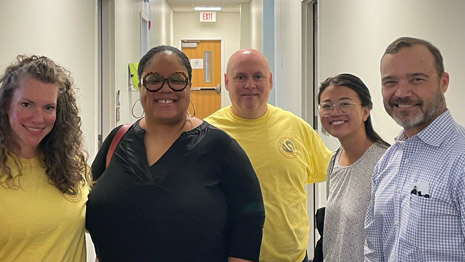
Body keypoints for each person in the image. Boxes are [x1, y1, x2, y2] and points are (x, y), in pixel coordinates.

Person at [86, 45, 265, 262]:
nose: (165, 88)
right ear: (140, 86)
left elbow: (249, 222)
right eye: (153, 79)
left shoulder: (220, 148)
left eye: (177, 79)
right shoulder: (118, 140)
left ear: (189, 86)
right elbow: (84, 206)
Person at [205, 49, 331, 262]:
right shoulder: (207, 133)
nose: (250, 85)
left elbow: (336, 170)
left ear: (270, 80)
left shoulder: (296, 127)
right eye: (240, 77)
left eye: (258, 76)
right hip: (229, 257)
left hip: (291, 257)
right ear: (226, 82)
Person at [364, 37, 465, 261]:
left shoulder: (461, 160)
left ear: (443, 82)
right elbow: (373, 249)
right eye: (390, 82)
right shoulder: (387, 162)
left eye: (416, 79)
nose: (402, 92)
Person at [0, 55, 90, 261]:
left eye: (48, 108)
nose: (38, 118)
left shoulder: (73, 165)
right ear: (6, 103)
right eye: (26, 104)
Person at [317, 73, 389, 261]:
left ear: (366, 111)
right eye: (326, 106)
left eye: (345, 104)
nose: (334, 112)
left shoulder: (385, 162)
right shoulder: (334, 161)